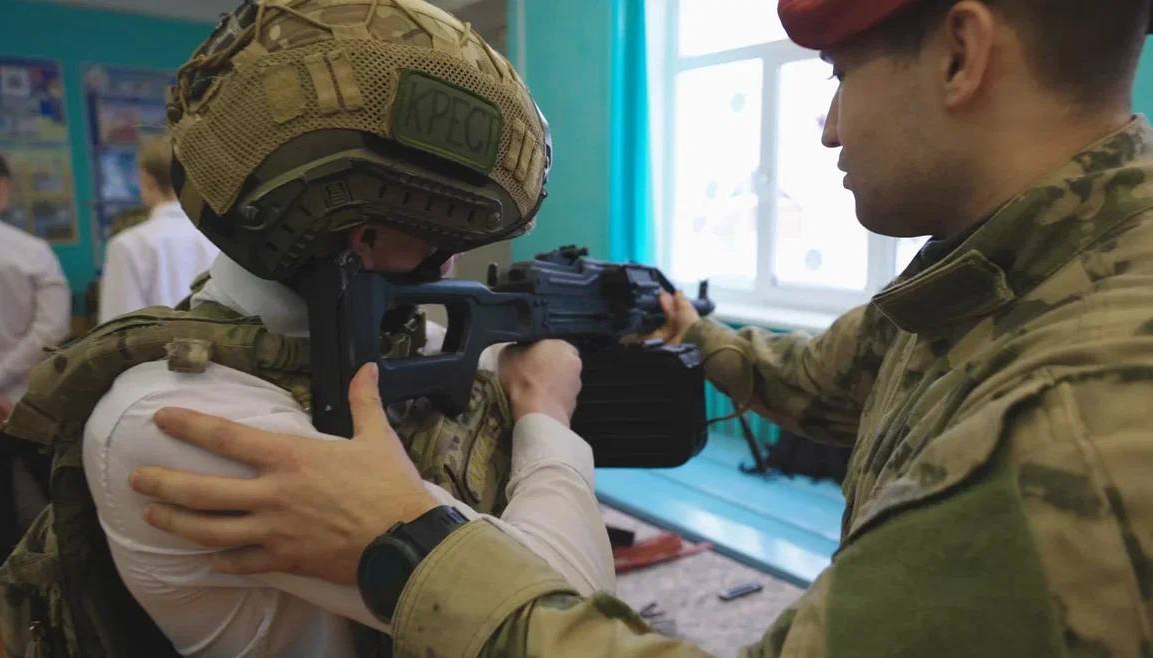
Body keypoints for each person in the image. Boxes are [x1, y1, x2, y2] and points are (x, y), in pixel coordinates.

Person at [124, 0, 1153, 656]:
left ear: (963, 54)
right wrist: (690, 328)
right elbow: (822, 382)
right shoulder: (997, 275)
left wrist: (405, 541)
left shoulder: (1080, 419)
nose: (829, 126)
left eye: (839, 77)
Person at [0, 1, 612, 657]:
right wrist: (546, 411)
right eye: (440, 236)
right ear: (361, 236)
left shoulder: (398, 344)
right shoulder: (174, 418)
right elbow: (560, 615)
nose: (452, 262)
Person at [0, 145, 70, 625]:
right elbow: (51, 331)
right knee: (57, 499)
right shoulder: (30, 251)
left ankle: (1, 602)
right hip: (28, 401)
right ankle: (63, 596)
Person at [97, 137, 218, 323]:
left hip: (156, 342)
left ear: (147, 178)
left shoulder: (128, 244)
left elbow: (118, 326)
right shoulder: (218, 237)